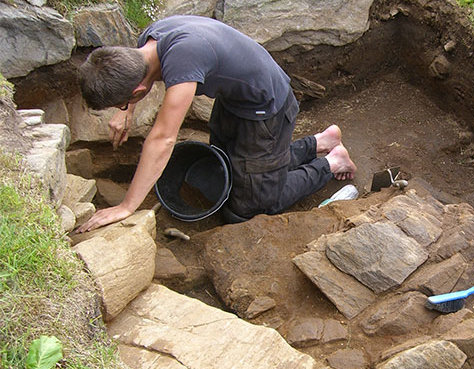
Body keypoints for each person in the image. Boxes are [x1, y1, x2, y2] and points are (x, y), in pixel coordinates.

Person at [76, 15, 356, 232]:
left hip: (268, 108)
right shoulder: (147, 43)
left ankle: (332, 162)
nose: (125, 108)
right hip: (234, 100)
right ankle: (321, 142)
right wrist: (127, 111)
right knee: (230, 168)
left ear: (136, 91)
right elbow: (138, 79)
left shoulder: (184, 60)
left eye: (124, 103)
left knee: (253, 205)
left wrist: (127, 206)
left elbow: (163, 138)